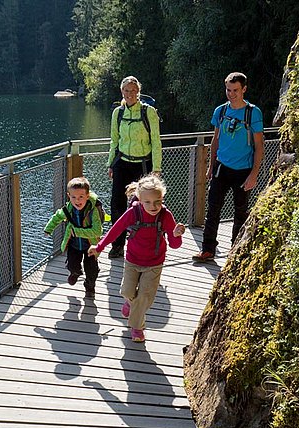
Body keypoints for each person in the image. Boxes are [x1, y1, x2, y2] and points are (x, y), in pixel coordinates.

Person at [88, 175, 185, 342]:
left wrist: (176, 235)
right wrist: (99, 247)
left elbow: (175, 245)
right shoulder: (133, 212)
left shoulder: (165, 215)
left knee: (144, 298)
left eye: (157, 201)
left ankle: (137, 328)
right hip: (132, 260)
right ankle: (129, 304)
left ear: (162, 198)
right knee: (127, 291)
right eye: (147, 202)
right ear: (140, 200)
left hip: (154, 263)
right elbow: (116, 230)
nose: (153, 206)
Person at [192, 72, 265, 262]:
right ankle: (208, 249)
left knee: (240, 211)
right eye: (228, 90)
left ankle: (236, 250)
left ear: (244, 89)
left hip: (243, 170)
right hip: (221, 167)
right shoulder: (221, 111)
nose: (231, 94)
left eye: (235, 90)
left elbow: (259, 146)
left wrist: (254, 174)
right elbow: (215, 139)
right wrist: (210, 165)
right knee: (213, 209)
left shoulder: (253, 112)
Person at [106, 75, 162, 259]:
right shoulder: (118, 113)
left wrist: (156, 169)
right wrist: (110, 164)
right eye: (126, 90)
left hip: (142, 166)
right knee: (117, 205)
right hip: (122, 163)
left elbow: (155, 141)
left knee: (145, 205)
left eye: (133, 90)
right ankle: (117, 245)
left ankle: (145, 243)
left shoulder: (148, 112)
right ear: (122, 92)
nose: (129, 94)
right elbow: (114, 140)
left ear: (138, 91)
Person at [44, 177, 104, 299]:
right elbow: (56, 217)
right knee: (72, 265)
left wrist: (77, 232)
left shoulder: (92, 211)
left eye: (81, 197)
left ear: (87, 196)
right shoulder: (68, 210)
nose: (77, 200)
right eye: (73, 197)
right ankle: (75, 272)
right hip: (74, 245)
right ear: (69, 196)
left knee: (91, 270)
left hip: (90, 246)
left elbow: (97, 231)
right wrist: (48, 229)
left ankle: (89, 286)